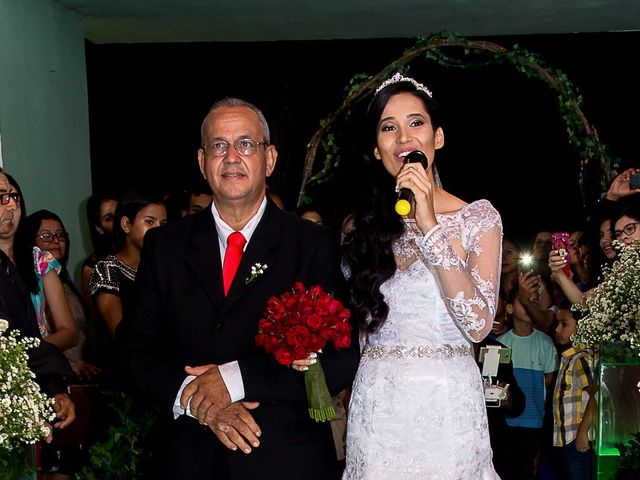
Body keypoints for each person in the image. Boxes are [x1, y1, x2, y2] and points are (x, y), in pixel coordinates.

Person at [116, 97, 360, 480]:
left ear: (271, 158)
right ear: (202, 162)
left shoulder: (313, 245)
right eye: (218, 146)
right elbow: (133, 351)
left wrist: (233, 380)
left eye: (246, 144)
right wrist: (198, 400)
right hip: (188, 457)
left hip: (286, 460)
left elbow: (341, 360)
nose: (232, 156)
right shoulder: (165, 246)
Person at [339, 73, 502, 478]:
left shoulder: (477, 217)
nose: (403, 137)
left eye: (416, 123)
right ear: (378, 150)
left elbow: (478, 325)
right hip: (377, 408)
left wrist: (429, 223)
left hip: (446, 407)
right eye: (388, 128)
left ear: (438, 137)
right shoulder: (359, 227)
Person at [0, 169, 76, 473]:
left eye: (13, 196)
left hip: (21, 406)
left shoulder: (14, 268)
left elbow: (25, 335)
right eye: (0, 197)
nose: (10, 206)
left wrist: (55, 386)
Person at [498, 286, 558, 479]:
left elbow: (549, 379)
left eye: (533, 302)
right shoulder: (500, 343)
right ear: (509, 309)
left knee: (529, 471)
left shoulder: (545, 343)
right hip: (506, 421)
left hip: (534, 420)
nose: (528, 305)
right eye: (523, 301)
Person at [552, 303, 595, 479]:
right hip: (568, 438)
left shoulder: (581, 358)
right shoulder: (570, 358)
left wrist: (583, 432)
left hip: (576, 439)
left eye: (564, 324)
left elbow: (597, 395)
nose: (557, 329)